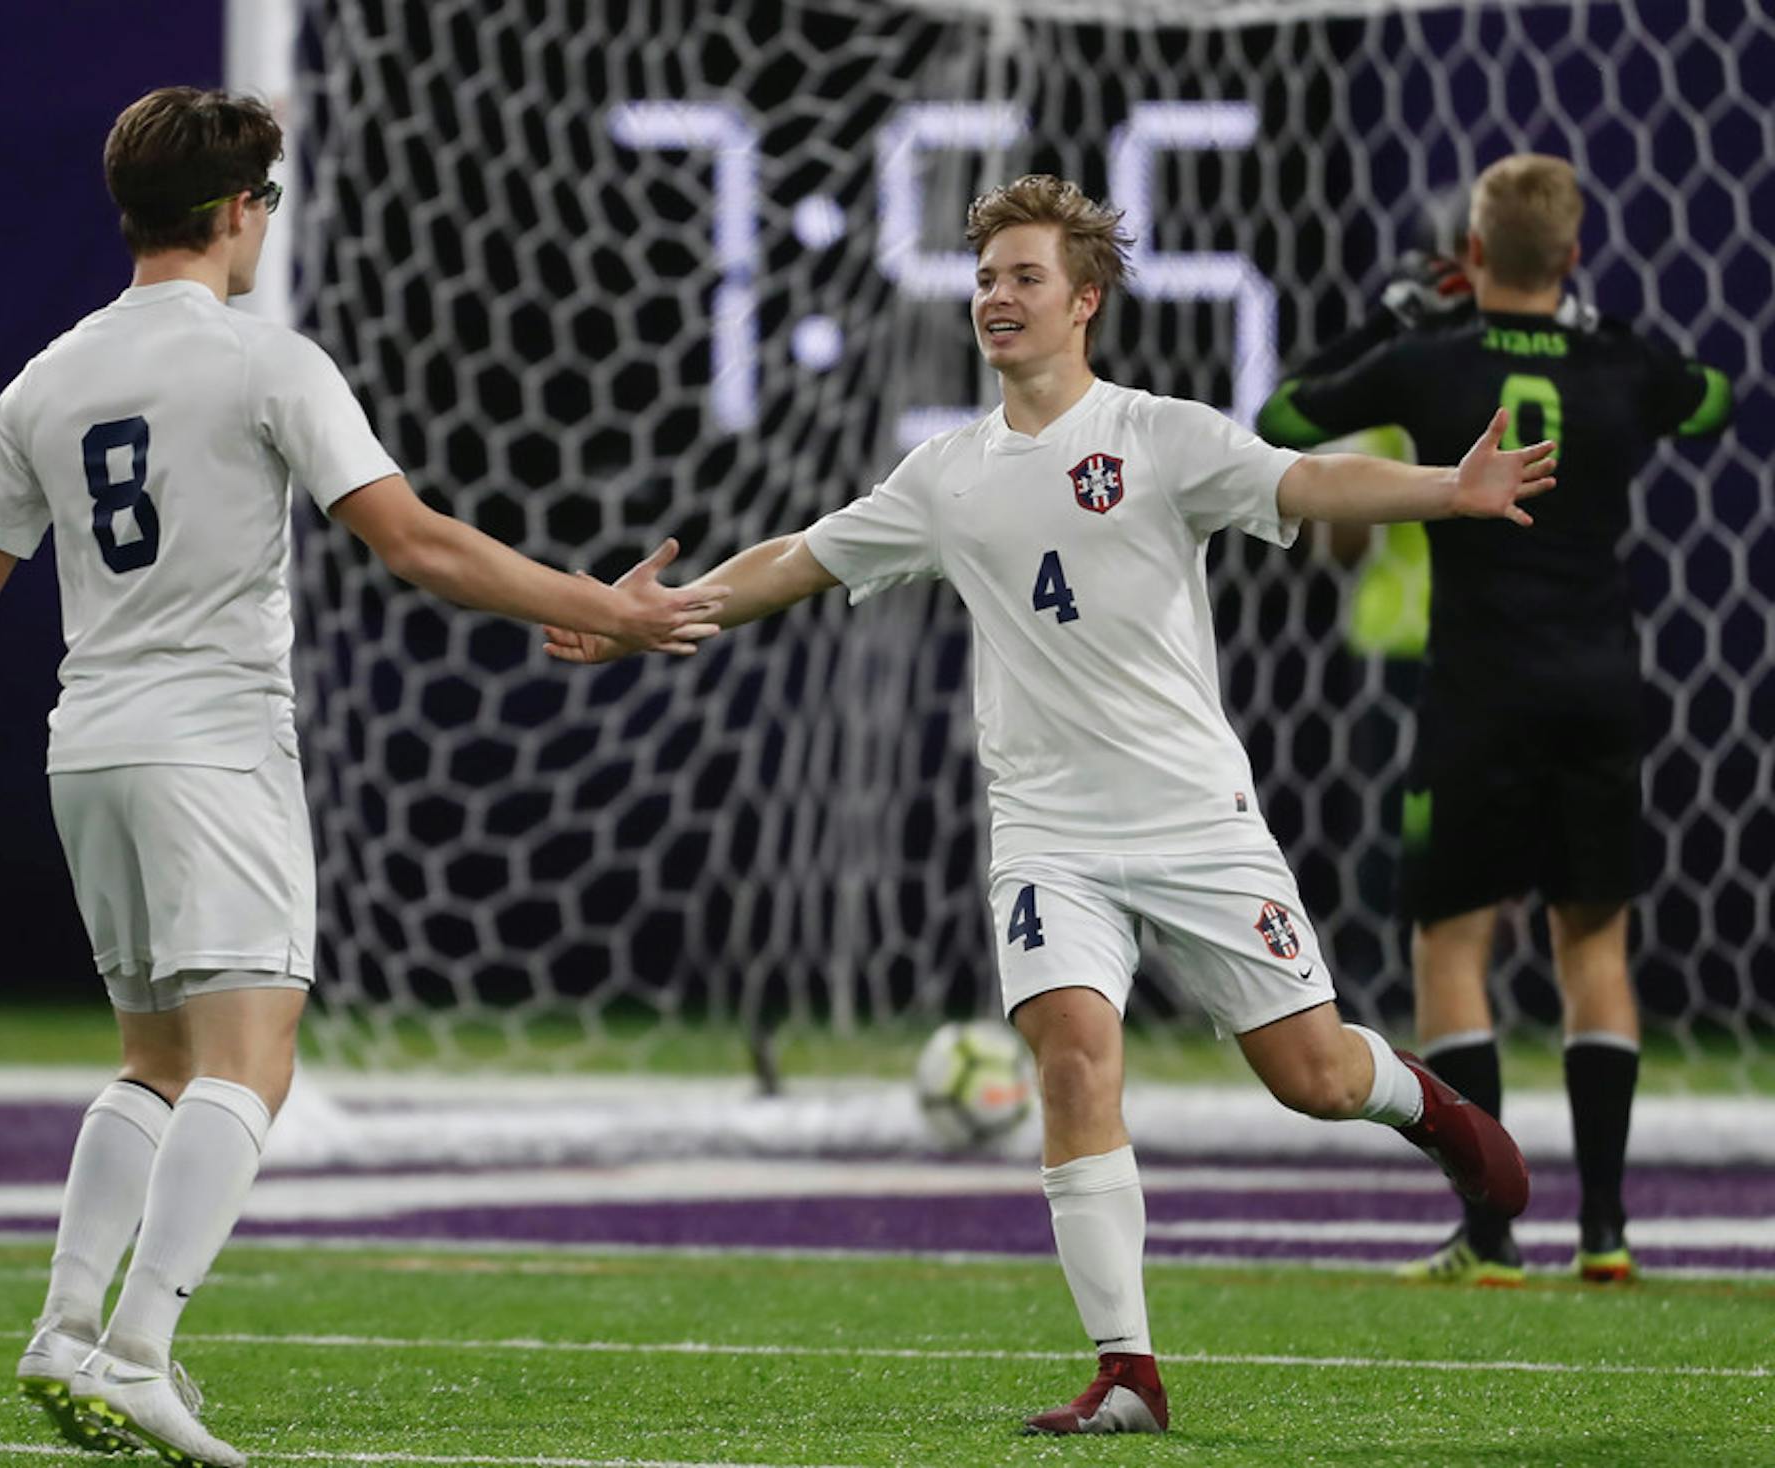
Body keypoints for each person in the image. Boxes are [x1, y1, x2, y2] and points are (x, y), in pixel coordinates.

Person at [0, 86, 725, 1468]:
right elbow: (413, 542)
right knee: (254, 1058)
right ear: (241, 214)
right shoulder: (266, 363)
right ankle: (138, 1353)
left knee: (156, 1062)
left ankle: (67, 1332)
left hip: (91, 752)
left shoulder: (45, 379)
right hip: (212, 748)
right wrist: (609, 601)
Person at [544, 173, 1542, 1437]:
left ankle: (1440, 1114)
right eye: (985, 278)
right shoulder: (945, 474)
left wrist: (1444, 492)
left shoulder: (1160, 434)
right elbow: (796, 558)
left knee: (1318, 1078)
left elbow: (1303, 481)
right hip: (1048, 836)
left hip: (1195, 821)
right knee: (1074, 1056)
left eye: (1023, 278)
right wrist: (640, 618)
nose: (995, 298)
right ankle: (1129, 1369)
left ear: (1084, 301)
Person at [1257, 154, 1734, 1287]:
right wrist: (1593, 322)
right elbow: (1710, 395)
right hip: (1601, 679)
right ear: (1571, 256)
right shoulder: (1618, 361)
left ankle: (1490, 1236)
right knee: (1594, 943)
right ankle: (1608, 1233)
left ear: (1469, 257)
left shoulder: (1431, 358)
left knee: (1451, 944)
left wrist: (1393, 318)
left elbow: (1282, 411)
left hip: (1476, 686)